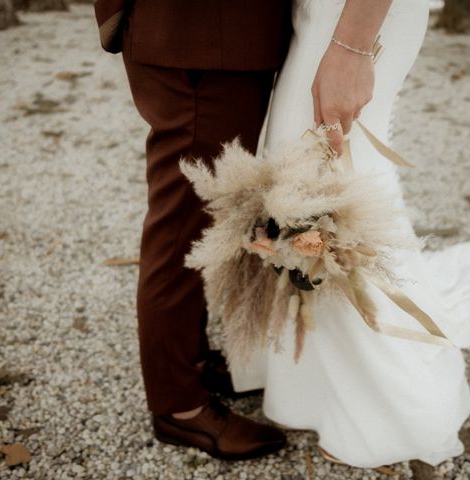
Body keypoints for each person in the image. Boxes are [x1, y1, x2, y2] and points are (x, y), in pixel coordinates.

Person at [229, 0, 470, 468]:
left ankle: (389, 407)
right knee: (307, 181)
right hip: (319, 18)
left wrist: (350, 49)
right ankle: (313, 388)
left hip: (352, 22)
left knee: (332, 185)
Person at [94, 0, 293, 460]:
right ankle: (178, 405)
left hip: (225, 40)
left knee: (202, 218)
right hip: (196, 38)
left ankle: (191, 360)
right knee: (179, 226)